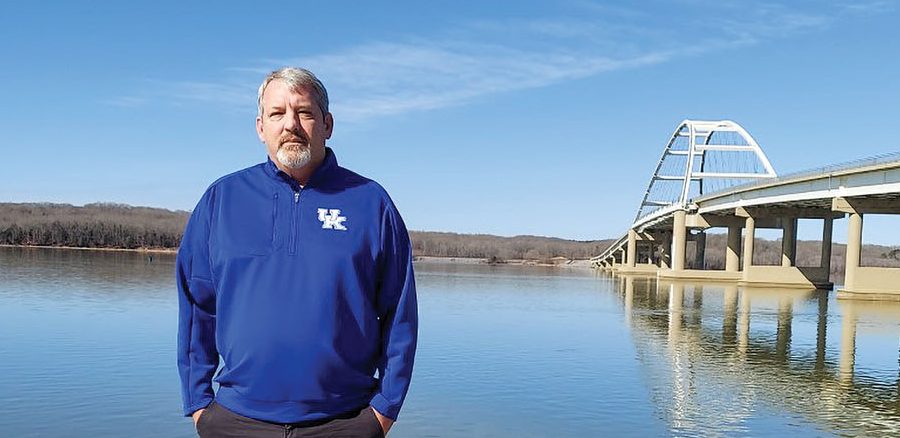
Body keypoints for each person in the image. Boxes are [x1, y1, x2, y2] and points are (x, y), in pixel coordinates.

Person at [176, 67, 418, 437]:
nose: (291, 124)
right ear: (260, 128)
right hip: (236, 421)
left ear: (327, 124)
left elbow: (399, 314)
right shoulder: (221, 201)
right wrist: (198, 405)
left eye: (304, 112)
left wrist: (383, 412)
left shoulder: (371, 203)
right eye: (277, 114)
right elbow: (197, 307)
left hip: (344, 421)